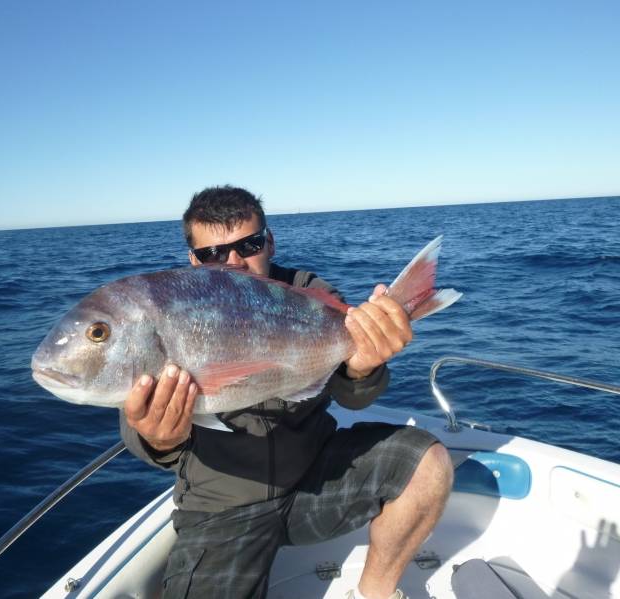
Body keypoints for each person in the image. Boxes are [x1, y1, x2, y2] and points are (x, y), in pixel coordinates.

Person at [119, 185, 453, 599]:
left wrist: (364, 363)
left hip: (319, 475)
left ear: (270, 241)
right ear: (194, 260)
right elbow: (139, 428)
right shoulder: (170, 312)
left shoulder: (310, 293)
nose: (234, 261)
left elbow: (353, 397)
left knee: (428, 464)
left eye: (250, 244)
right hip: (223, 505)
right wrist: (157, 436)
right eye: (213, 254)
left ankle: (375, 593)